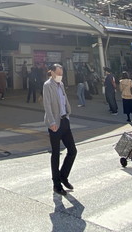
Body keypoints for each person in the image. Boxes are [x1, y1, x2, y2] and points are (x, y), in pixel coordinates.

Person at [43, 63, 77, 196]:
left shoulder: (61, 85)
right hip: (55, 123)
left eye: (61, 74)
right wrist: (51, 122)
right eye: (58, 73)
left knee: (72, 150)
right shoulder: (47, 85)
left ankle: (63, 175)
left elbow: (64, 99)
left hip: (64, 120)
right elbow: (47, 105)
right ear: (51, 72)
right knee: (56, 153)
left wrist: (68, 113)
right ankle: (56, 184)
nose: (60, 76)